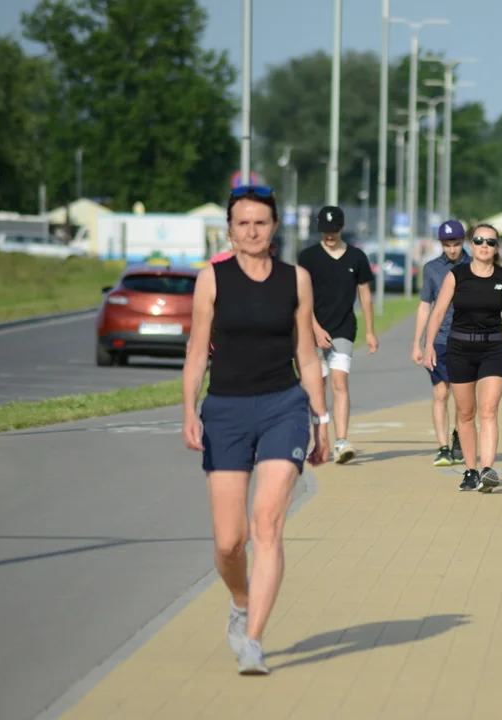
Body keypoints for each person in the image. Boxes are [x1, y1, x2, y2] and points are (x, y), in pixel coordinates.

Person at [181, 184, 329, 675]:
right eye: (242, 223)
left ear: (274, 228)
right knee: (229, 542)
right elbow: (198, 352)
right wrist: (188, 410)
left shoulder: (296, 280)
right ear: (230, 230)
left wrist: (321, 421)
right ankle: (241, 600)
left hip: (283, 407)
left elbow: (307, 354)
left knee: (267, 525)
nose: (251, 231)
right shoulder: (212, 279)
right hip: (224, 409)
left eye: (260, 223)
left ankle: (254, 640)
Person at [424, 223, 502, 492]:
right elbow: (438, 312)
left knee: (488, 410)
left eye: (490, 242)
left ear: (496, 248)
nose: (484, 246)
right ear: (471, 244)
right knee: (466, 413)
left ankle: (488, 469)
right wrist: (429, 346)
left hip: (493, 350)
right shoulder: (456, 276)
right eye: (479, 241)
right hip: (459, 350)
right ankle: (470, 470)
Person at [297, 206, 378, 463]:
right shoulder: (308, 257)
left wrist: (370, 332)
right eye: (324, 231)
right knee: (316, 387)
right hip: (312, 330)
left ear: (342, 228)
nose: (329, 236)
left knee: (339, 383)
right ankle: (320, 442)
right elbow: (301, 297)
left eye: (333, 231)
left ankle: (341, 442)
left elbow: (365, 295)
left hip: (343, 329)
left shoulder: (357, 257)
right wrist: (315, 328)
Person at [412, 219, 469, 466]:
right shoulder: (432, 269)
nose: (452, 249)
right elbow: (425, 306)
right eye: (447, 245)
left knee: (463, 397)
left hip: (467, 339)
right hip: (439, 340)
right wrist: (418, 343)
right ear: (441, 244)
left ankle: (460, 435)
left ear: (463, 242)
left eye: (456, 244)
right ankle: (443, 446)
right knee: (440, 392)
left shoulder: (474, 265)